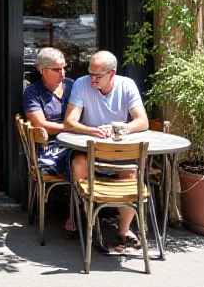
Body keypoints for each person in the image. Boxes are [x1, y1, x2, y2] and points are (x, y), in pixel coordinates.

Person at [64, 50, 149, 249]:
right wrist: (93, 131)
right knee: (79, 164)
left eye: (97, 75)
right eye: (90, 73)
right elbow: (69, 122)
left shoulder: (126, 85)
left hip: (118, 152)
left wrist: (118, 128)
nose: (92, 78)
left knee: (131, 173)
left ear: (112, 73)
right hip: (89, 149)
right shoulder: (81, 84)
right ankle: (87, 221)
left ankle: (123, 230)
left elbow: (142, 121)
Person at [22, 47, 74, 178]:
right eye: (57, 69)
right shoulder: (33, 92)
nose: (63, 73)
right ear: (43, 71)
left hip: (77, 143)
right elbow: (41, 125)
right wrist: (74, 128)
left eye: (64, 68)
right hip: (50, 148)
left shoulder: (72, 86)